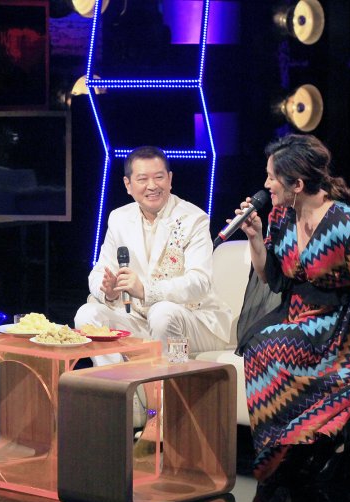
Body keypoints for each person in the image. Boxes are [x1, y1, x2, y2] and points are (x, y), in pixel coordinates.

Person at [233, 134, 350, 482]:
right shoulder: (281, 215)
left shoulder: (342, 222)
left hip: (335, 324)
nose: (266, 185)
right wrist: (255, 237)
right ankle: (289, 447)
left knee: (271, 345)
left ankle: (304, 443)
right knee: (258, 347)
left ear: (297, 184)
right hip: (296, 314)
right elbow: (273, 277)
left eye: (272, 177)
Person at [74, 145, 232, 361]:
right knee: (87, 315)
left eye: (159, 177)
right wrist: (108, 292)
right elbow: (98, 273)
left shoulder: (193, 219)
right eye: (142, 179)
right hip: (141, 319)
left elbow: (200, 282)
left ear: (170, 179)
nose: (152, 186)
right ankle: (115, 378)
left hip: (195, 320)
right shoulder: (119, 218)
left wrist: (145, 290)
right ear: (128, 185)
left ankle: (173, 376)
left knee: (162, 313)